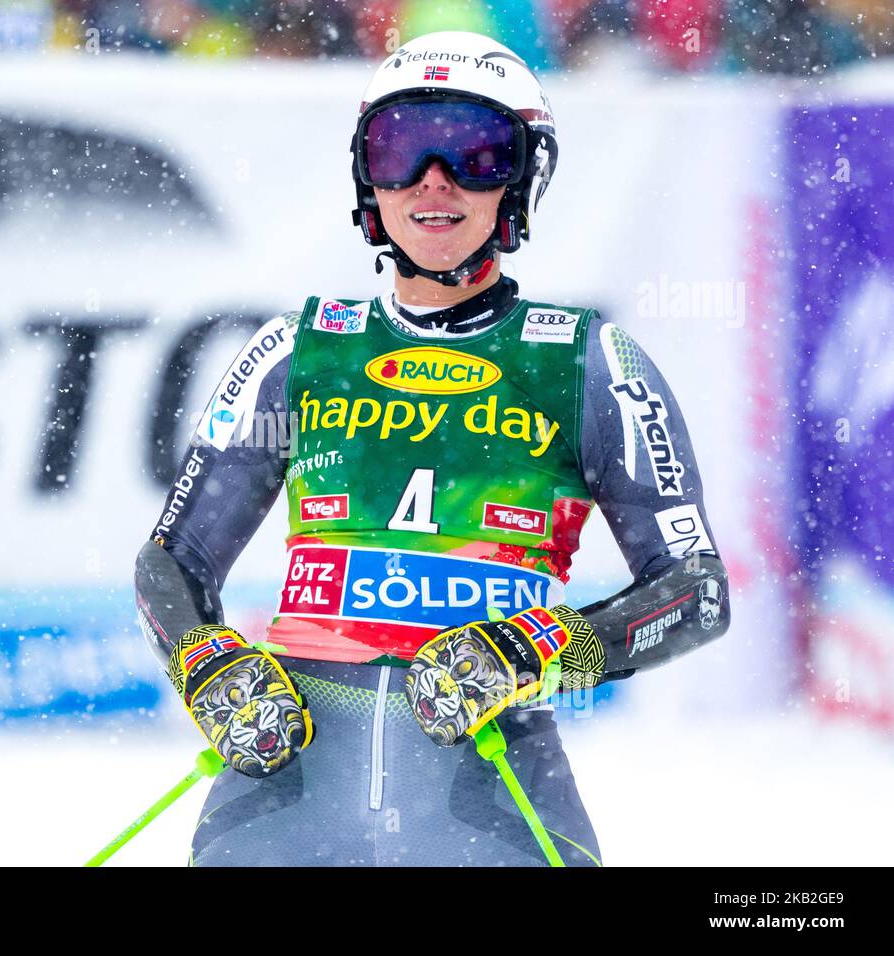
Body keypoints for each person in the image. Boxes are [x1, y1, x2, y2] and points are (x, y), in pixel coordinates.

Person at [134, 30, 730, 866]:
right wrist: (207, 662)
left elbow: (695, 592)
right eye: (402, 148)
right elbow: (173, 561)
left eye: (476, 154)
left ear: (524, 181)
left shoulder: (589, 361)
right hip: (286, 789)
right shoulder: (296, 348)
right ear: (366, 180)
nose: (433, 182)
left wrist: (539, 651)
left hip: (492, 794)